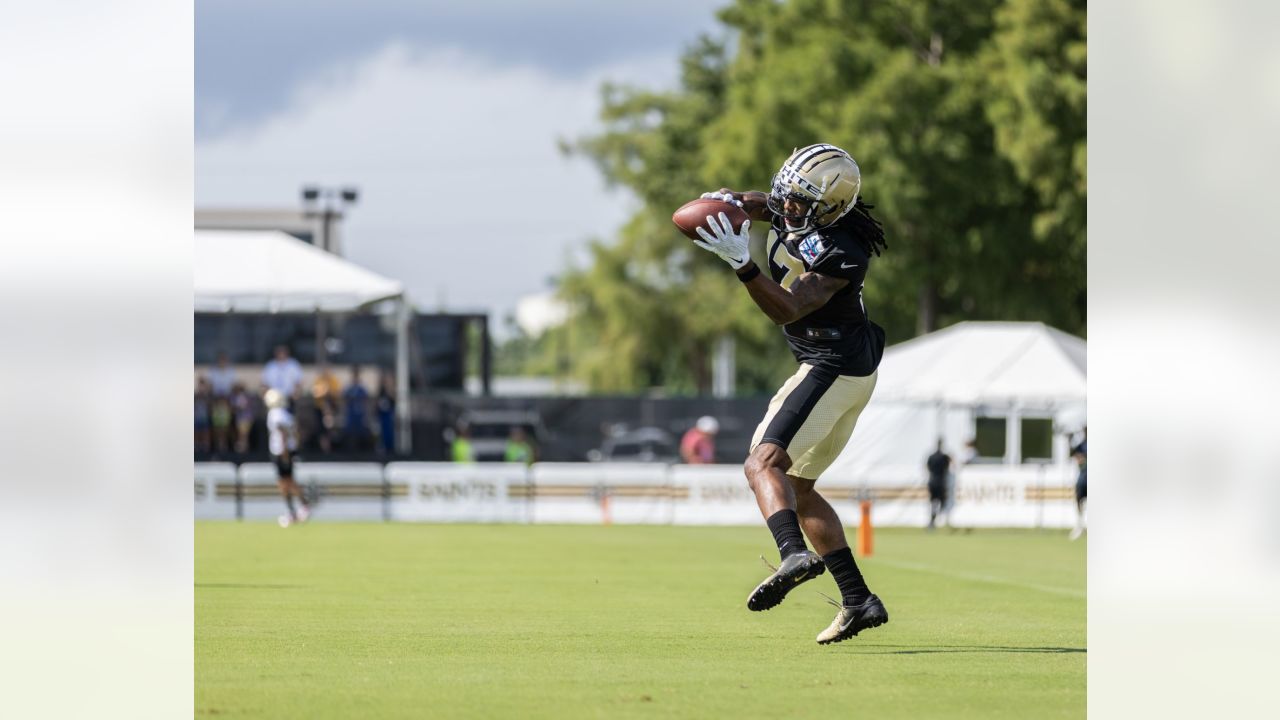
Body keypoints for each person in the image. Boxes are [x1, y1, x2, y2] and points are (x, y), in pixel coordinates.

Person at [694, 143, 890, 644]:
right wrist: (729, 200)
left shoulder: (842, 250)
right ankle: (859, 601)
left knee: (762, 464)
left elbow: (787, 308)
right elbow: (765, 204)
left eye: (801, 201)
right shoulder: (794, 209)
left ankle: (793, 556)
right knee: (798, 488)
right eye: (789, 195)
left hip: (833, 365)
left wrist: (743, 265)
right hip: (848, 366)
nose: (789, 207)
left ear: (830, 207)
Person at [265, 388, 310, 527]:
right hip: (287, 450)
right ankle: (299, 508)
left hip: (281, 451)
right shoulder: (286, 413)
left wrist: (284, 451)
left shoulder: (275, 414)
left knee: (284, 482)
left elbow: (282, 433)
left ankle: (298, 508)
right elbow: (295, 432)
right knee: (287, 481)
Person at [310, 363, 341, 454]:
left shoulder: (333, 380)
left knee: (330, 429)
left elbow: (337, 393)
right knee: (321, 431)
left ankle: (331, 447)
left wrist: (329, 392)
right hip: (319, 410)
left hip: (333, 409)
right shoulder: (319, 380)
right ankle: (324, 449)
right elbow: (315, 392)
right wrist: (324, 391)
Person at [342, 365, 372, 452]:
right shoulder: (348, 389)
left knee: (361, 435)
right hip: (351, 417)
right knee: (350, 435)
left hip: (360, 417)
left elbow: (366, 402)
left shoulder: (362, 389)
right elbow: (344, 401)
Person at [925, 440, 952, 531]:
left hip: (932, 482)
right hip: (941, 483)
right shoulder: (944, 457)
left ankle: (932, 521)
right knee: (942, 502)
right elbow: (947, 467)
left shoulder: (931, 457)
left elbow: (927, 467)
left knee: (933, 502)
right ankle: (939, 518)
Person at [1070, 426, 1087, 540]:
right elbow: (1075, 455)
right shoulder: (1082, 445)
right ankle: (1080, 525)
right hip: (1083, 477)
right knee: (1078, 499)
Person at [230, 383, 255, 454]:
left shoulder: (243, 396)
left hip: (245, 418)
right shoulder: (236, 396)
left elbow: (242, 406)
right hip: (241, 419)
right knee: (242, 435)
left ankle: (244, 449)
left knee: (244, 435)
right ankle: (243, 448)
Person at [375, 369, 396, 455]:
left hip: (389, 416)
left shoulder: (391, 391)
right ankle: (382, 448)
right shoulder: (381, 391)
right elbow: (377, 404)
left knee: (390, 434)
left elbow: (393, 402)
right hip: (382, 417)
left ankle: (390, 449)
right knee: (382, 434)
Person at [194, 377, 212, 454]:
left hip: (205, 417)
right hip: (197, 417)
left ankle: (206, 448)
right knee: (197, 433)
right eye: (200, 385)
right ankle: (197, 447)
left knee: (205, 433)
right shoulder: (196, 395)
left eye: (203, 385)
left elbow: (210, 406)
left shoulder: (207, 396)